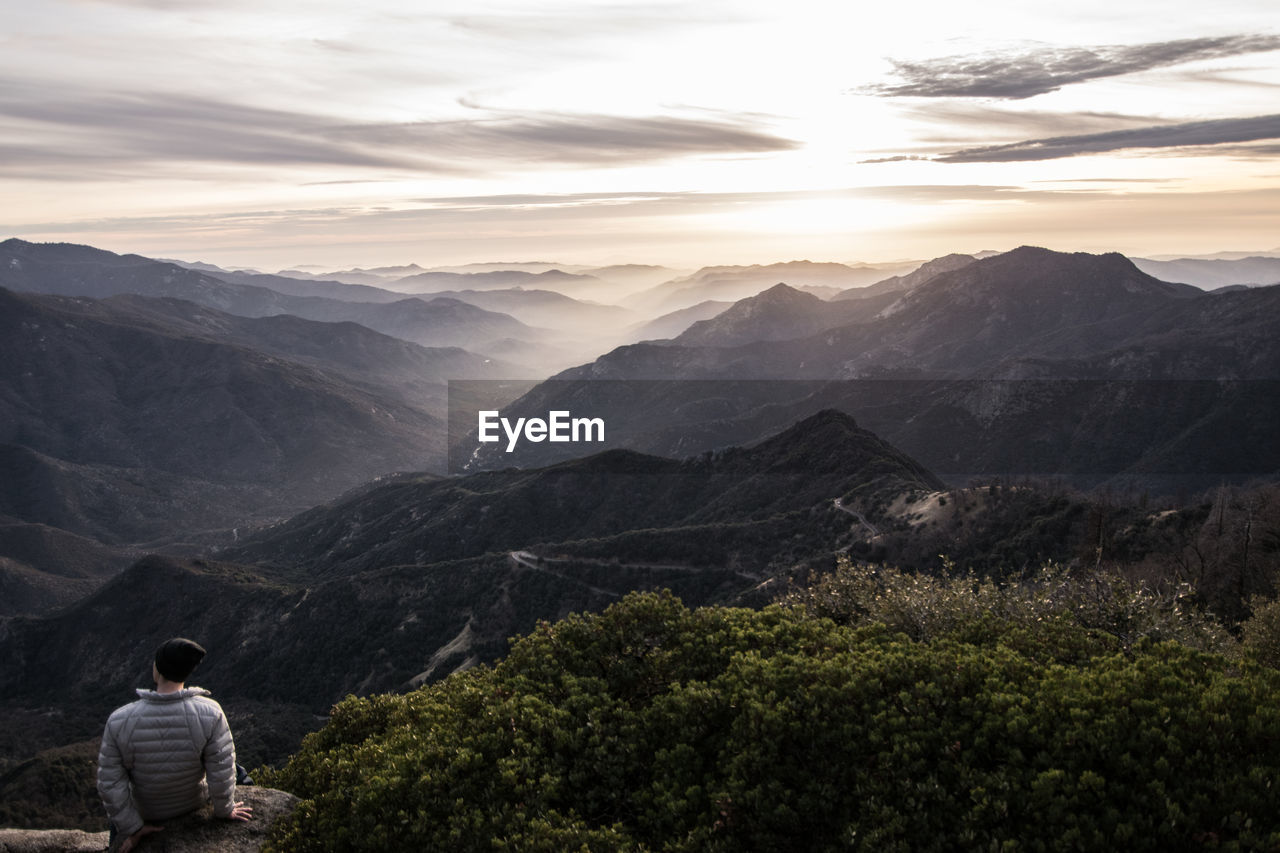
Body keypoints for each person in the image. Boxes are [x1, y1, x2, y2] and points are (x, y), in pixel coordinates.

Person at [97, 638, 253, 852]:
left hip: (146, 812)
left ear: (157, 668)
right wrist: (224, 810)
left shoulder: (119, 720)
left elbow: (110, 784)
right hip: (192, 803)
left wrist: (132, 828)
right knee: (235, 767)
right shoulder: (211, 712)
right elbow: (221, 769)